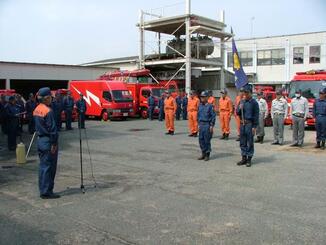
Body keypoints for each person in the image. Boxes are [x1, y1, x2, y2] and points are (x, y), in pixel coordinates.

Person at [33, 87, 60, 199]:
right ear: (46, 98)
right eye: (50, 97)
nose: (51, 100)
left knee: (43, 167)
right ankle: (47, 191)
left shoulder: (37, 109)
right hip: (48, 141)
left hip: (40, 140)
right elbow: (53, 130)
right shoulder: (48, 111)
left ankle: (43, 189)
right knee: (50, 167)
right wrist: (54, 144)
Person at [236, 85, 259, 167]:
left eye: (247, 93)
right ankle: (244, 158)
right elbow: (237, 113)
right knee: (242, 142)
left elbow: (256, 116)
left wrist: (254, 127)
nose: (245, 94)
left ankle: (249, 159)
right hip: (242, 124)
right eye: (244, 93)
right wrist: (239, 108)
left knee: (249, 142)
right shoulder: (242, 102)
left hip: (249, 124)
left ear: (251, 93)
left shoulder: (254, 103)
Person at [197, 91, 216, 161]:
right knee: (201, 140)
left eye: (203, 97)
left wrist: (211, 125)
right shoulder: (200, 105)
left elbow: (213, 116)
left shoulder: (210, 106)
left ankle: (207, 154)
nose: (202, 98)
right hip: (201, 124)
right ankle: (203, 153)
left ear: (207, 97)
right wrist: (198, 124)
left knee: (207, 140)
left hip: (207, 125)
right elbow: (198, 116)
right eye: (201, 97)